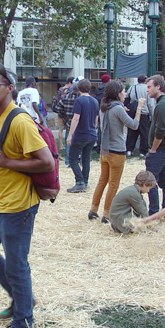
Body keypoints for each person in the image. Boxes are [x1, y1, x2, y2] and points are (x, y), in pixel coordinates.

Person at [0, 60, 54, 328]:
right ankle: (23, 299)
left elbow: (46, 163)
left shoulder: (19, 120)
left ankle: (24, 323)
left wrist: (7, 161)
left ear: (10, 88)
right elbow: (3, 152)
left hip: (18, 205)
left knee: (16, 264)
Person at [88, 80, 145, 223]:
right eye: (123, 91)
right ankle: (107, 214)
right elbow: (134, 125)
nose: (125, 94)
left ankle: (93, 209)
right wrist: (139, 108)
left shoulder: (104, 107)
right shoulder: (118, 108)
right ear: (118, 93)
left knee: (102, 180)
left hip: (104, 150)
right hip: (117, 151)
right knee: (113, 184)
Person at [145, 75, 165, 216]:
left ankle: (154, 212)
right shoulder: (164, 102)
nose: (147, 90)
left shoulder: (162, 105)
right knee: (164, 181)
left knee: (151, 181)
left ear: (158, 87)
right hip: (164, 149)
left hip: (161, 150)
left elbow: (161, 130)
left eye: (149, 87)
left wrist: (153, 149)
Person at [66, 78, 98, 193]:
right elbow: (96, 119)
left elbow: (76, 118)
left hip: (81, 134)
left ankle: (79, 182)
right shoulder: (95, 101)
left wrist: (70, 135)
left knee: (73, 159)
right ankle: (85, 181)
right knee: (86, 160)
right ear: (89, 88)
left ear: (78, 88)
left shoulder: (79, 101)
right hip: (91, 134)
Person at [53, 78, 81, 168]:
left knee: (69, 143)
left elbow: (57, 108)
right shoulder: (81, 98)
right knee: (81, 144)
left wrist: (64, 115)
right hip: (81, 125)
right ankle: (80, 162)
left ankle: (68, 162)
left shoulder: (66, 97)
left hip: (69, 122)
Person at [125, 74, 150, 158]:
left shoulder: (132, 88)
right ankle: (143, 151)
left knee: (131, 132)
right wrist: (152, 114)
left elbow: (127, 98)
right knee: (144, 133)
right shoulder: (147, 89)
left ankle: (129, 150)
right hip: (143, 113)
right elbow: (150, 103)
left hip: (133, 112)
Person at [51, 77, 73, 150]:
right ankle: (67, 145)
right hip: (67, 112)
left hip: (60, 112)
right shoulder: (69, 91)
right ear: (70, 82)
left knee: (60, 129)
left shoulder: (60, 89)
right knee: (67, 129)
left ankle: (61, 145)